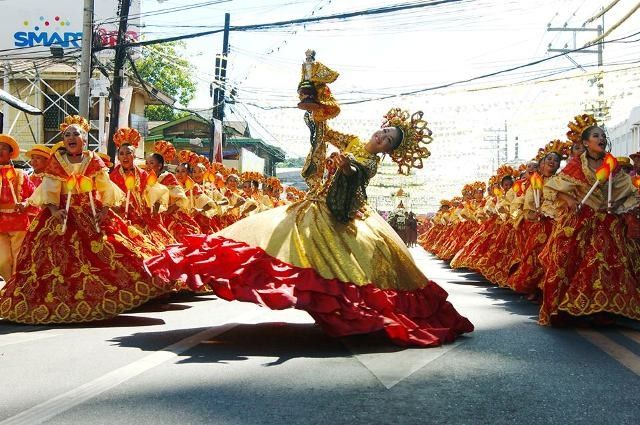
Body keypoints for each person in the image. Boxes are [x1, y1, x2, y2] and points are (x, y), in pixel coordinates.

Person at [147, 93, 473, 347]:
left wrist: (346, 168)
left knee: (341, 266)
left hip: (344, 214)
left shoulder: (369, 163)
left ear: (388, 151)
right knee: (268, 241)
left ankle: (354, 314)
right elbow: (328, 133)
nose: (382, 136)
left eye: (388, 140)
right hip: (313, 207)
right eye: (385, 130)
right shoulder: (357, 142)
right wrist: (318, 110)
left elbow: (355, 174)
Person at [0, 116, 174, 324]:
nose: (71, 138)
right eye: (67, 135)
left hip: (90, 215)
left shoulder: (93, 160)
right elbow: (48, 190)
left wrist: (104, 210)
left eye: (76, 134)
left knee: (112, 251)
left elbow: (105, 187)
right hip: (60, 217)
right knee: (53, 261)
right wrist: (54, 210)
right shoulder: (57, 161)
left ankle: (106, 296)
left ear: (84, 138)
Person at [538, 125, 640, 325]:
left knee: (607, 264)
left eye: (603, 136)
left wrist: (622, 204)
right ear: (585, 142)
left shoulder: (611, 164)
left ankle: (604, 307)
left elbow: (625, 190)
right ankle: (564, 308)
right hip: (580, 219)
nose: (601, 139)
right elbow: (554, 187)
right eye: (596, 136)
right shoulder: (576, 164)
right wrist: (568, 199)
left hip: (606, 221)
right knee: (567, 260)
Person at [110, 128, 175, 248]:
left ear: (134, 155)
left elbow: (156, 193)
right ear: (118, 157)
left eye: (129, 153)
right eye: (122, 153)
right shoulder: (113, 176)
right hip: (124, 219)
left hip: (145, 219)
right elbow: (108, 200)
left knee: (160, 246)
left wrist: (155, 208)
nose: (125, 156)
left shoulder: (143, 174)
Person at [0, 135, 35, 283]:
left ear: (10, 152)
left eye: (4, 148)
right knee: (2, 260)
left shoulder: (21, 174)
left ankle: (15, 290)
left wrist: (25, 204)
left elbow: (34, 196)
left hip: (19, 223)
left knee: (18, 259)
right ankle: (10, 285)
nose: (0, 150)